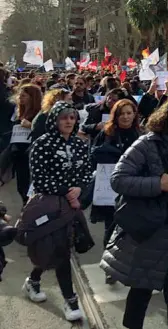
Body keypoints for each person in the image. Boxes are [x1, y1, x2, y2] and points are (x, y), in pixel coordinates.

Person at [100, 90, 168, 329]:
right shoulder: (147, 144)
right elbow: (118, 179)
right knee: (141, 291)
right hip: (151, 231)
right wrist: (157, 184)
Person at [24, 101, 93, 321]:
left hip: (72, 206)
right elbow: (39, 178)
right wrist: (66, 191)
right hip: (50, 206)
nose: (69, 121)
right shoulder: (42, 144)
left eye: (72, 117)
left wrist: (79, 189)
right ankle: (70, 300)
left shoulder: (81, 144)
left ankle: (33, 280)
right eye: (64, 117)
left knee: (59, 248)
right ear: (55, 119)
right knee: (61, 251)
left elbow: (86, 171)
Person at [90, 99, 141, 284]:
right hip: (110, 189)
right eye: (122, 113)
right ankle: (110, 267)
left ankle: (127, 264)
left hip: (133, 190)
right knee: (111, 228)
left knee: (130, 230)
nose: (126, 117)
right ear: (116, 116)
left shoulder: (140, 134)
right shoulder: (107, 132)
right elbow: (93, 154)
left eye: (129, 113)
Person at [11, 83, 42, 204]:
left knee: (30, 187)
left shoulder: (40, 114)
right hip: (18, 153)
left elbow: (45, 131)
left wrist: (31, 126)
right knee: (21, 186)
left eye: (23, 96)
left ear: (32, 97)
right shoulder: (17, 112)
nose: (20, 98)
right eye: (20, 95)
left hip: (31, 153)